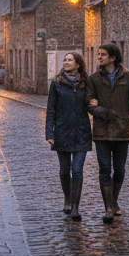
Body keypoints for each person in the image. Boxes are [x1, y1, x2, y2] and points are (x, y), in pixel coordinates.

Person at [86, 43, 129, 224]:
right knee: (104, 169)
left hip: (121, 132)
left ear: (113, 58)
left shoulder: (128, 76)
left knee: (119, 170)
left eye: (103, 55)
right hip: (102, 132)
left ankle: (114, 200)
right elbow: (89, 103)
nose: (99, 57)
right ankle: (109, 208)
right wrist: (103, 112)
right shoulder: (93, 79)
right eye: (98, 54)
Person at [45, 51, 91, 221]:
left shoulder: (85, 83)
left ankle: (75, 207)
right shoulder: (56, 83)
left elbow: (90, 102)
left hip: (81, 133)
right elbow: (51, 110)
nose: (66, 62)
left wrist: (95, 104)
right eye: (65, 60)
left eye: (70, 60)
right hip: (62, 132)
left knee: (77, 169)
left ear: (78, 64)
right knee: (65, 170)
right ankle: (67, 198)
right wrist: (50, 133)